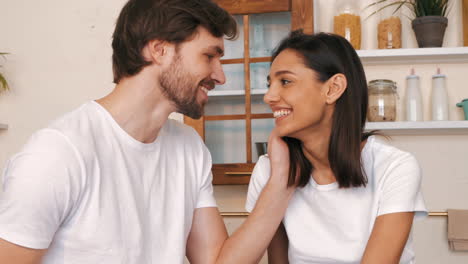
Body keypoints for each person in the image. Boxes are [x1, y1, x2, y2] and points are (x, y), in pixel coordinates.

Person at [0, 0, 295, 263]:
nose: (219, 76)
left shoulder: (188, 147)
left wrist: (281, 179)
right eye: (209, 56)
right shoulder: (58, 154)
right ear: (159, 50)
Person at [246, 31, 427, 264]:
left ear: (333, 88)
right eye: (270, 84)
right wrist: (278, 180)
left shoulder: (394, 167)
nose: (269, 97)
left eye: (285, 81)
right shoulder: (269, 171)